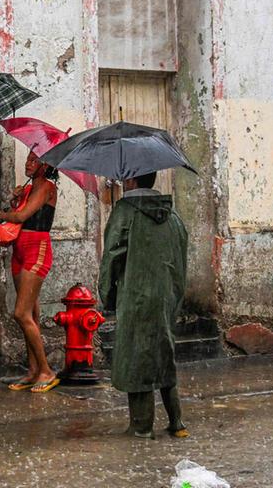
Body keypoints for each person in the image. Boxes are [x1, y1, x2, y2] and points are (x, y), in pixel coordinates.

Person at [99, 172, 188, 439]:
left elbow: (112, 255)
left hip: (136, 295)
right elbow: (181, 256)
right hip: (166, 295)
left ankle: (141, 426)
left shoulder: (126, 212)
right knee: (163, 352)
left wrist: (107, 295)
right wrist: (174, 295)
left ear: (131, 181)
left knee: (137, 357)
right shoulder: (172, 214)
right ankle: (176, 421)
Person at [0, 152, 59, 393]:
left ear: (45, 165)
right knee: (30, 313)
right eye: (28, 159)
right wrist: (15, 200)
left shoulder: (47, 187)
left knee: (21, 313)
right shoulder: (27, 189)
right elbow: (19, 212)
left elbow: (22, 217)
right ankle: (33, 371)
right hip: (20, 249)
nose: (28, 163)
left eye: (34, 160)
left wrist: (4, 215)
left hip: (37, 249)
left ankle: (46, 370)